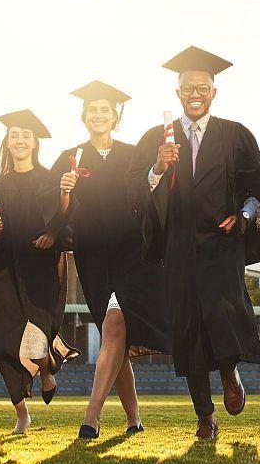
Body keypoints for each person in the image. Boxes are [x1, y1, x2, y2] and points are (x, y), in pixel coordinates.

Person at [128, 46, 260, 441]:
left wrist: (243, 217)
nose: (195, 93)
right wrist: (159, 165)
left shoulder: (235, 135)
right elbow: (134, 190)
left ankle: (229, 371)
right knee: (188, 330)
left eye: (203, 87)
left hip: (221, 244)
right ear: (177, 92)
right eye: (188, 87)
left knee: (223, 313)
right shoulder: (157, 138)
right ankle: (204, 414)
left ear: (214, 91)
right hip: (177, 249)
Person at [51, 80, 170, 440]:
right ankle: (134, 419)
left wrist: (161, 168)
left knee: (115, 327)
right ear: (84, 115)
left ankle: (92, 416)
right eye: (93, 110)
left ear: (115, 115)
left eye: (105, 110)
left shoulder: (134, 153)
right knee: (112, 333)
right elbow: (61, 215)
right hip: (92, 257)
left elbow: (151, 192)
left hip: (133, 253)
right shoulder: (72, 156)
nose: (99, 115)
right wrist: (64, 191)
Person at [0, 110, 80, 435]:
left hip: (41, 269)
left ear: (34, 143)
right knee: (4, 339)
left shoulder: (49, 179)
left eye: (26, 136)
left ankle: (47, 366)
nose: (20, 140)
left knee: (35, 340)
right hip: (4, 270)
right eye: (14, 135)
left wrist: (54, 234)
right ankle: (21, 413)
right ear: (8, 142)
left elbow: (66, 217)